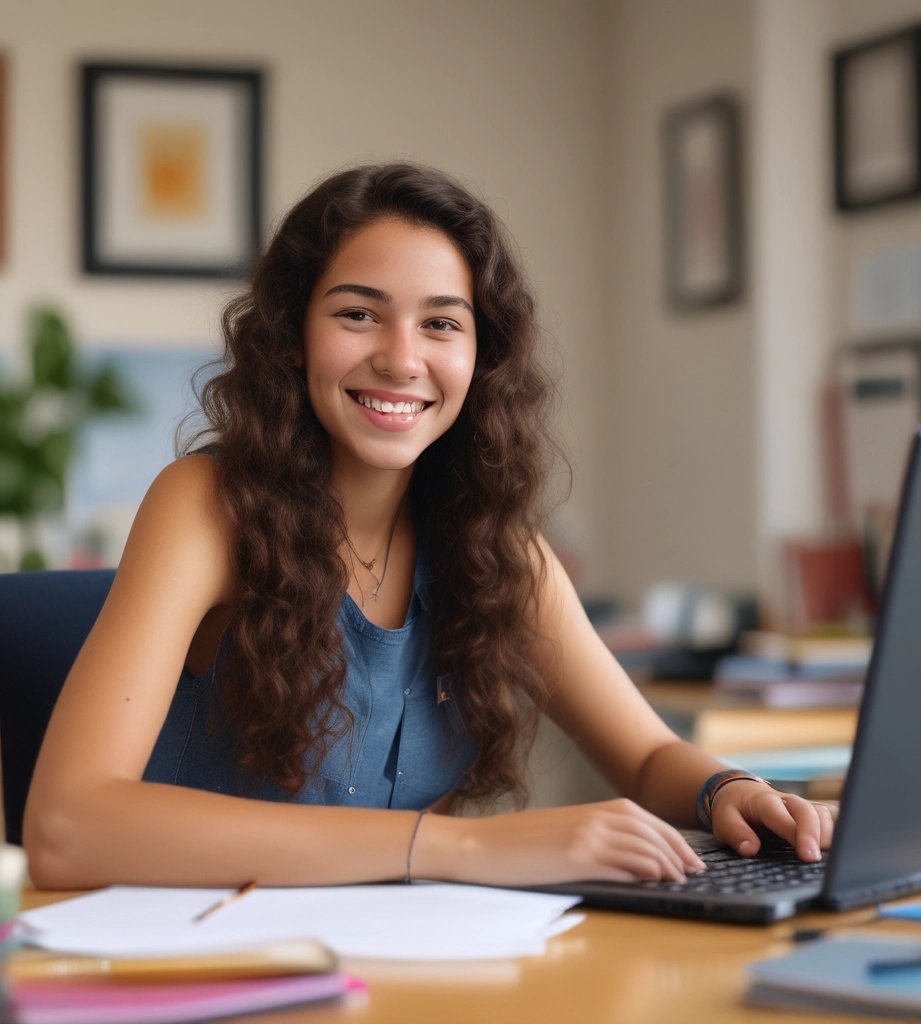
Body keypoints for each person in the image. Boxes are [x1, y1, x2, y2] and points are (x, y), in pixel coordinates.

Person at [24, 162, 834, 890]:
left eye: (442, 323)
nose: (402, 359)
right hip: (187, 972)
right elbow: (67, 828)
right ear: (292, 336)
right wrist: (466, 849)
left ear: (481, 358)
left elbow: (651, 754)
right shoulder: (205, 505)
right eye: (358, 314)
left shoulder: (493, 547)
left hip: (393, 977)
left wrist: (731, 790)